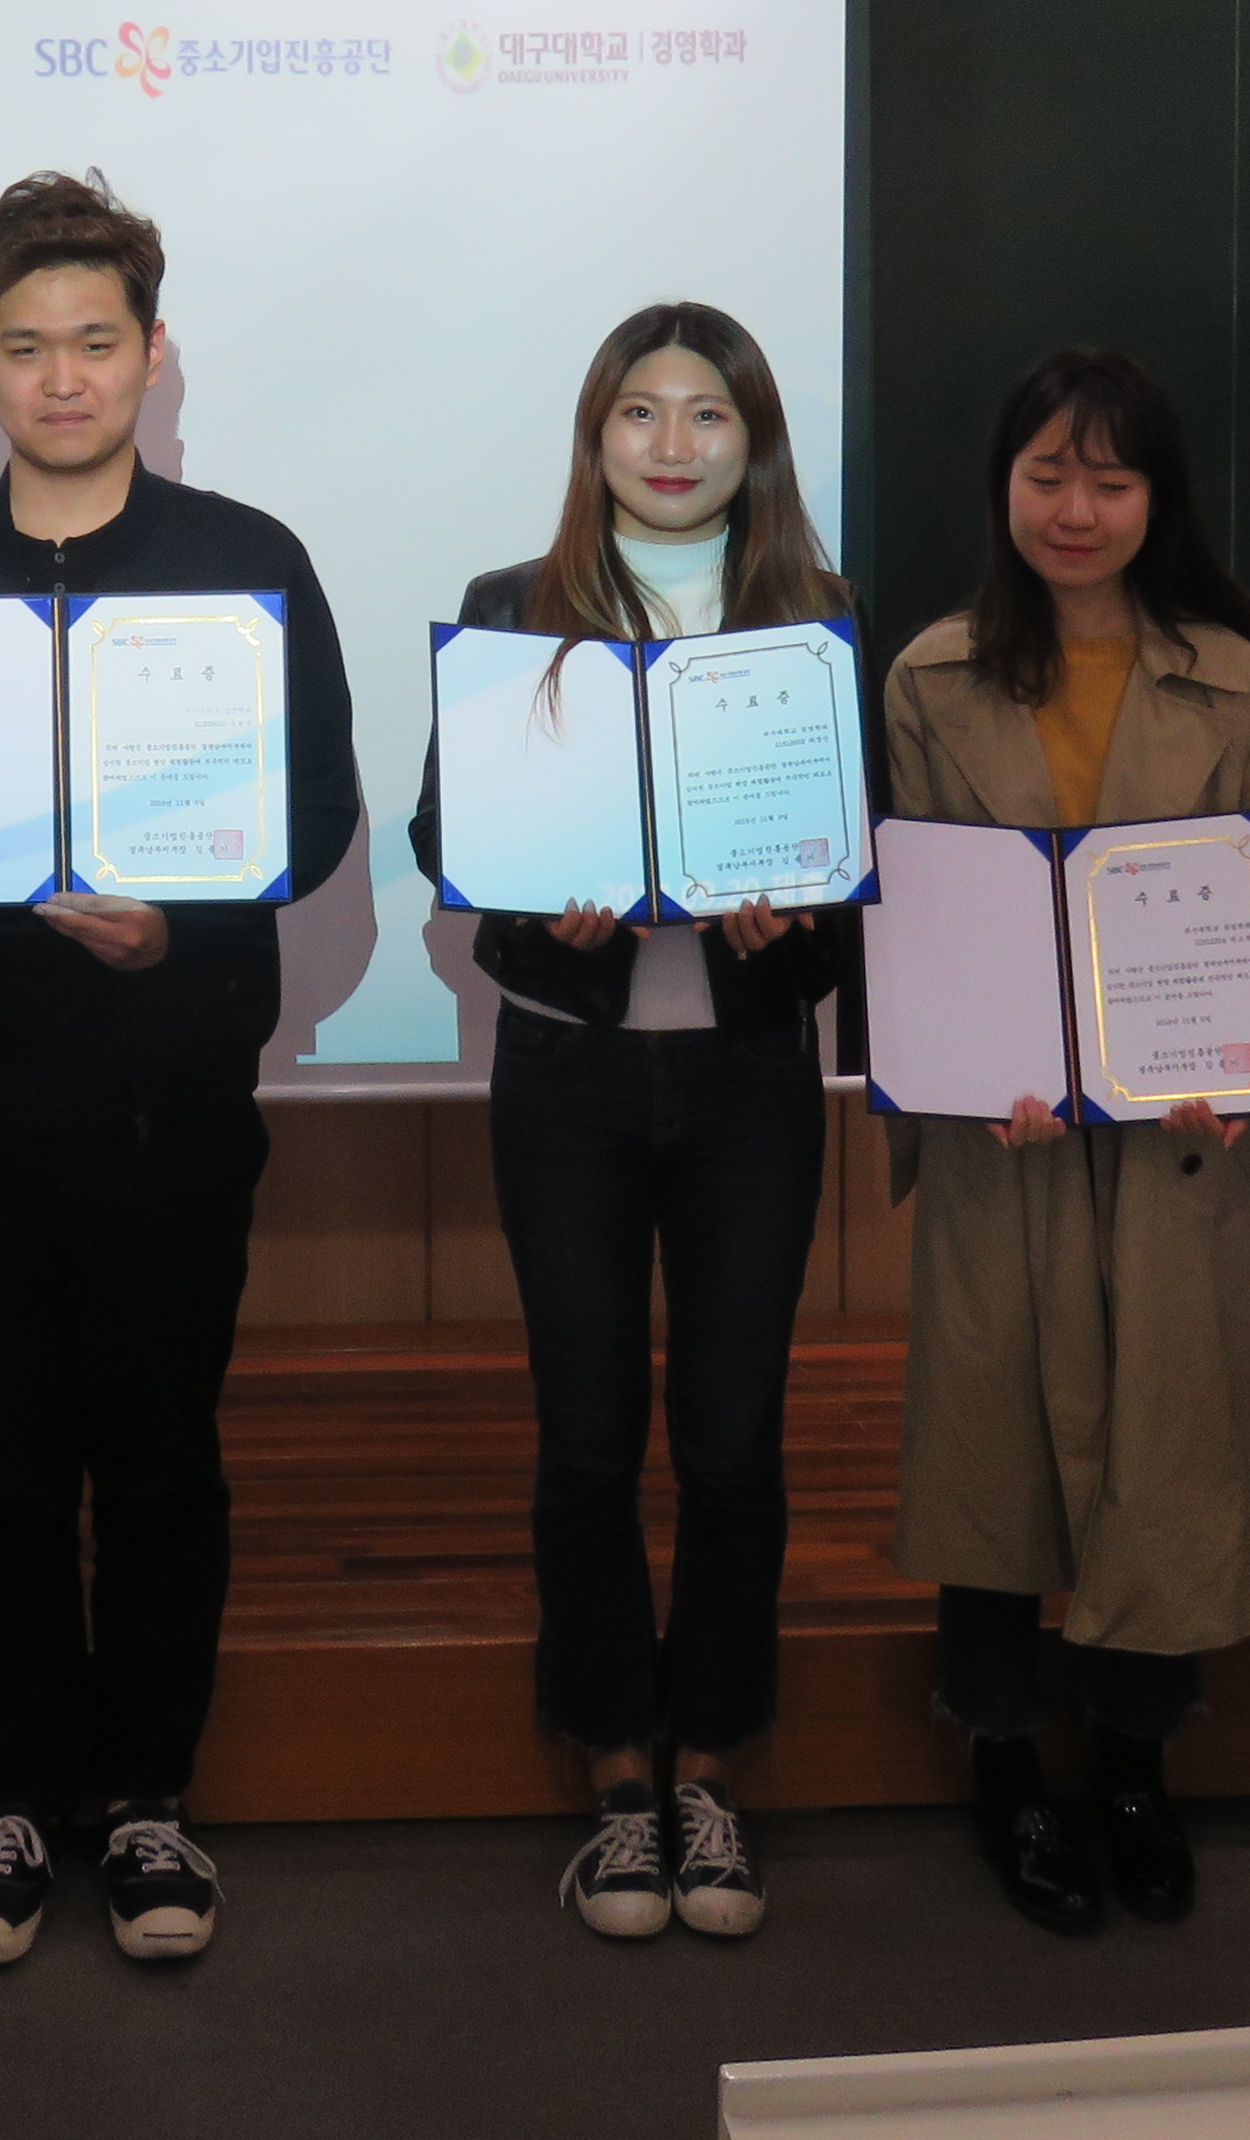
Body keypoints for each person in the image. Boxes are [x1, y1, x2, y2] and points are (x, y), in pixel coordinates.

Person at [0, 170, 358, 1969]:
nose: (61, 378)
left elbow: (316, 812)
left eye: (95, 342)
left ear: (153, 352)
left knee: (162, 1463)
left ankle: (150, 1801)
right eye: (25, 346)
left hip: (167, 1108)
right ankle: (18, 1800)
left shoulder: (246, 562)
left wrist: (172, 931)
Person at [408, 305, 859, 1944]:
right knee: (589, 1432)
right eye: (642, 414)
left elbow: (859, 857)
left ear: (756, 441)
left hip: (751, 1082)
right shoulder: (511, 610)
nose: (674, 447)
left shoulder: (816, 619)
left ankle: (712, 1768)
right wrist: (543, 898)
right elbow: (444, 828)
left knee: (734, 1438)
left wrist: (795, 916)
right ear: (595, 437)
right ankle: (615, 1775)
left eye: (709, 415)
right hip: (570, 1078)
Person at [878, 347, 1250, 1939]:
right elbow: (920, 911)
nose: (1076, 509)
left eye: (1111, 480)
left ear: (1157, 499)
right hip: (1003, 1136)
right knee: (995, 1451)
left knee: (1170, 1448)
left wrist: (1236, 1046)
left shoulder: (1236, 679)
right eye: (1048, 475)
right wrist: (974, 1049)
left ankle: (1137, 1765)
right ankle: (1003, 1759)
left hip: (1177, 1141)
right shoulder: (929, 678)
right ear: (1004, 487)